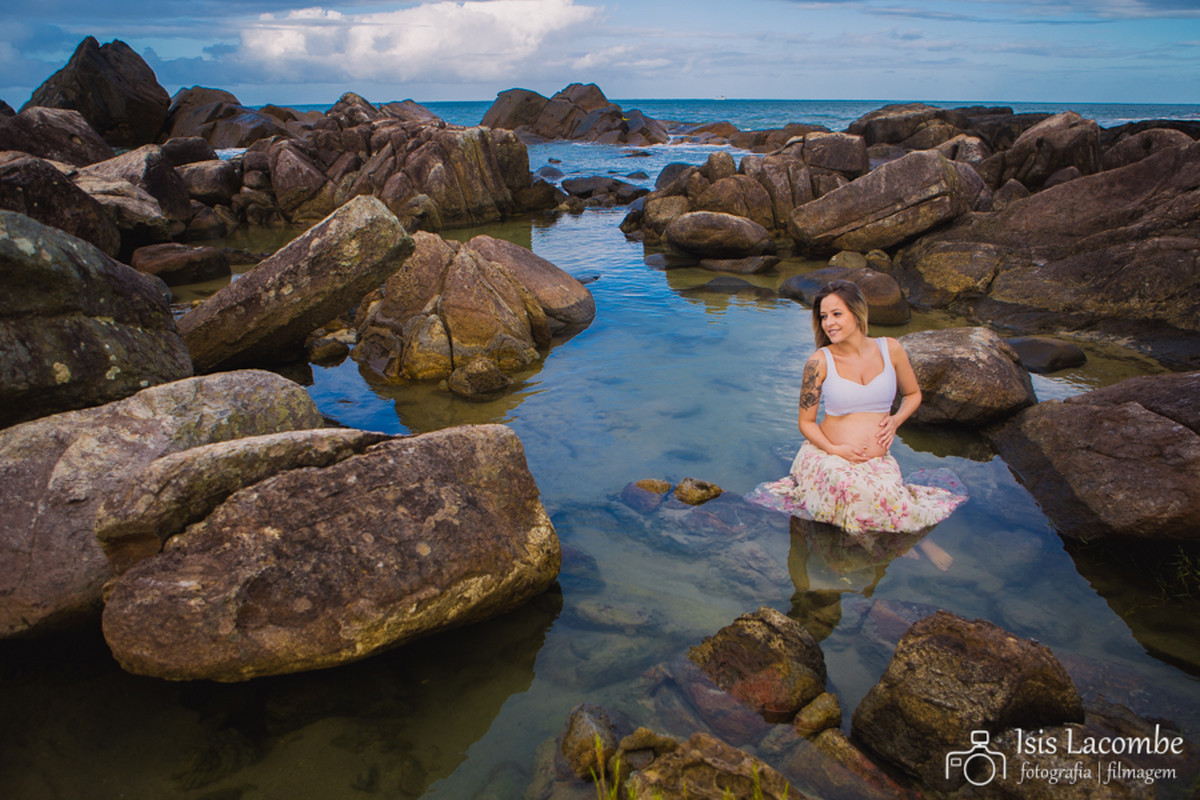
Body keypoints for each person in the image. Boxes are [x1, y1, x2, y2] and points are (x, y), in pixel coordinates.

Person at [748, 280, 966, 540]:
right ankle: (911, 547)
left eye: (837, 314)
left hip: (875, 460)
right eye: (824, 316)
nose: (829, 323)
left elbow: (913, 394)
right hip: (828, 455)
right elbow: (806, 423)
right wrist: (835, 450)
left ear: (858, 313)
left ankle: (913, 544)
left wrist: (896, 421)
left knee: (885, 497)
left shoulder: (891, 349)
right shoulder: (819, 362)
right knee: (853, 490)